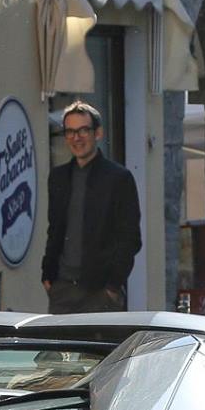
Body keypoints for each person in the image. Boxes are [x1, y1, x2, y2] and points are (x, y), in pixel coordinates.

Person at [41, 103, 142, 314]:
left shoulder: (118, 178)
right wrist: (48, 274)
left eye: (83, 130)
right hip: (62, 288)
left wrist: (113, 286)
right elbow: (54, 230)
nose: (76, 138)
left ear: (97, 133)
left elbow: (130, 237)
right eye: (70, 131)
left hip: (100, 292)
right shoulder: (58, 178)